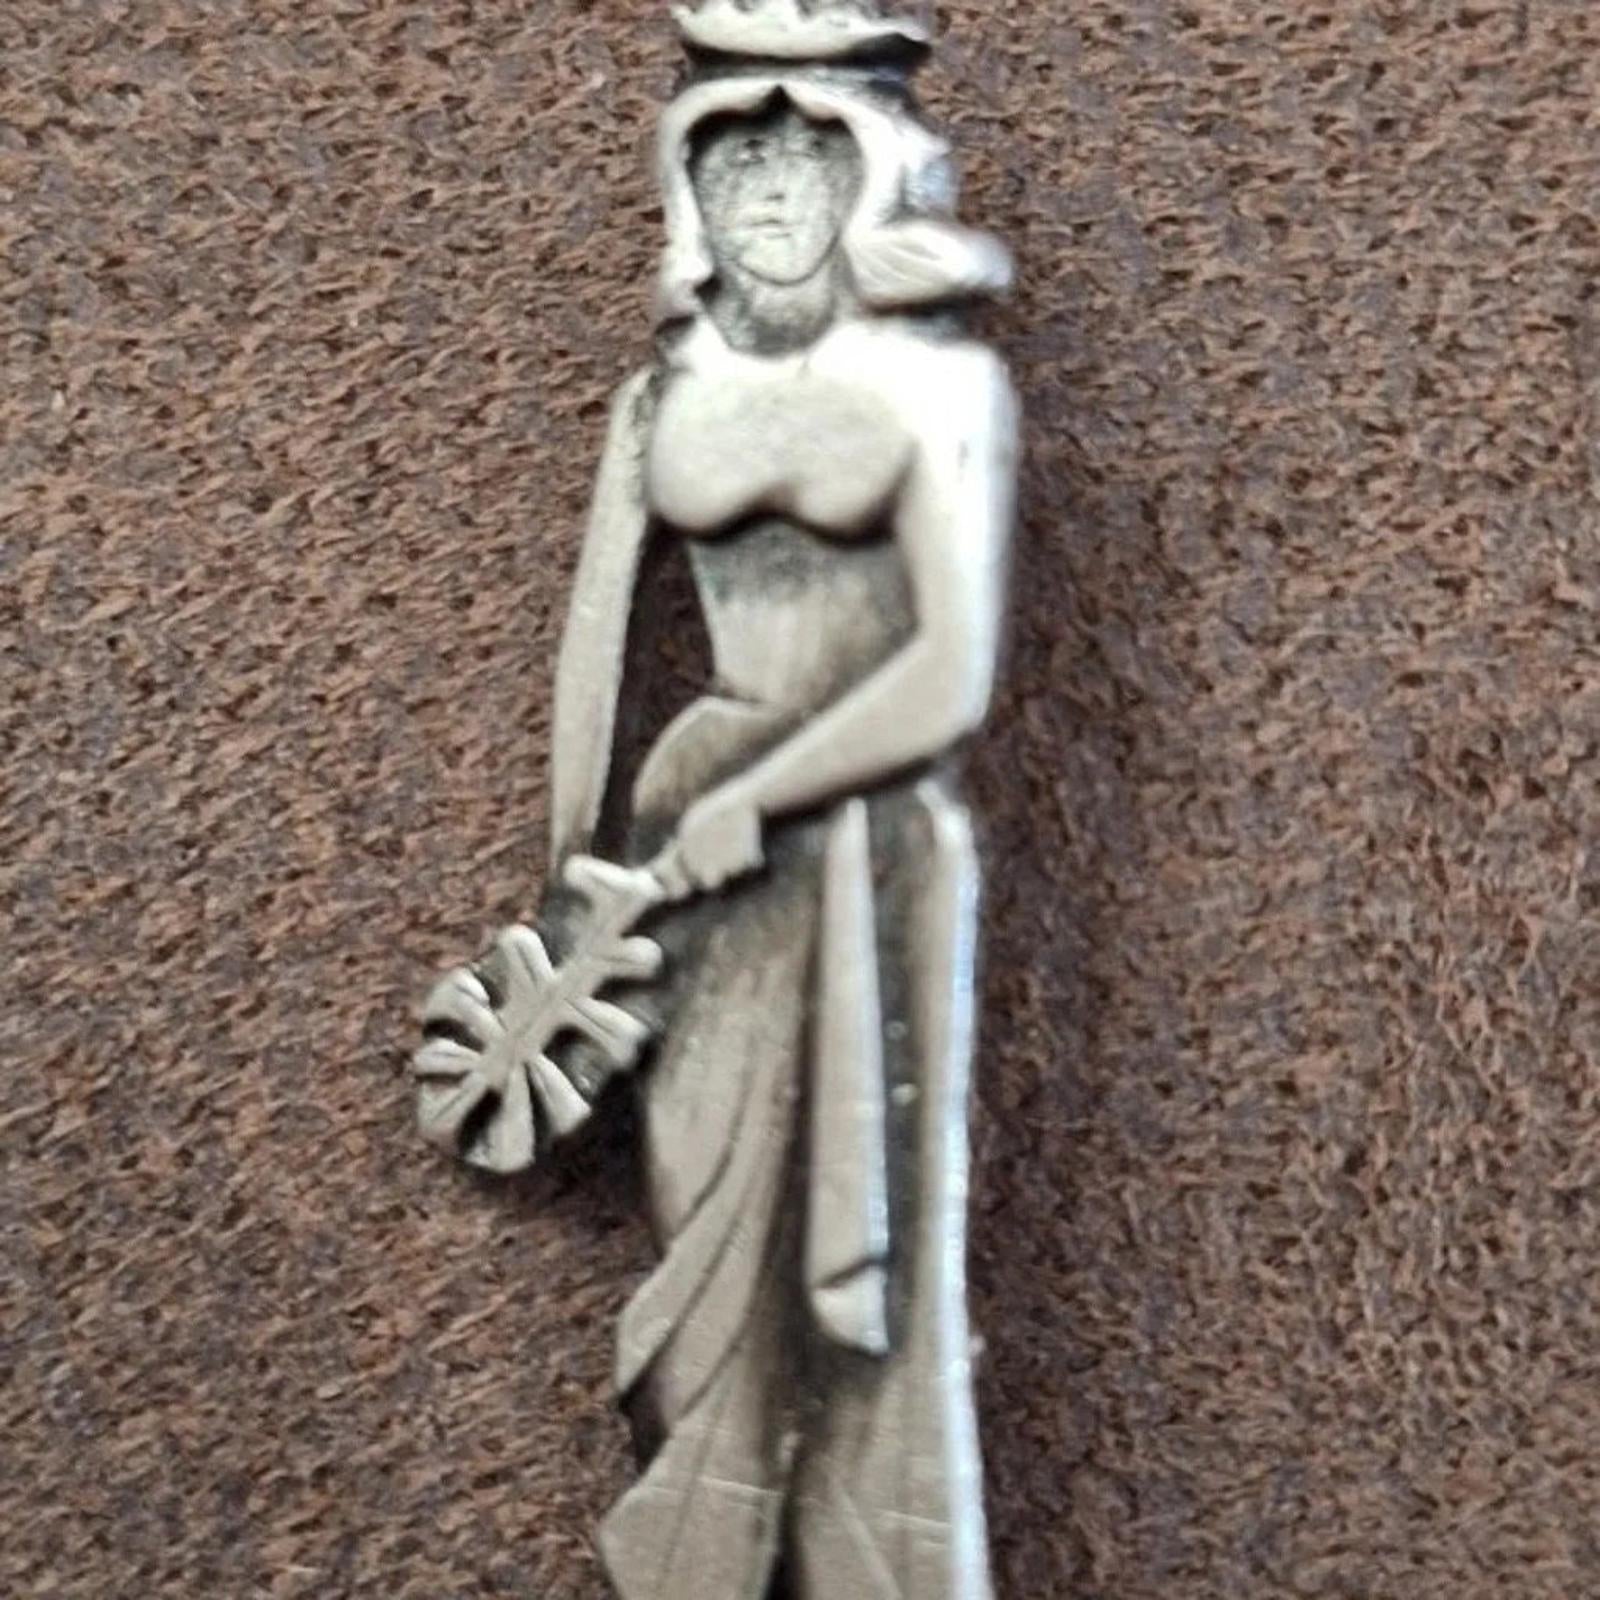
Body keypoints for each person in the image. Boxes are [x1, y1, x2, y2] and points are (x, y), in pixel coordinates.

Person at [548, 53, 1018, 1600]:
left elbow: (950, 672)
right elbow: (596, 656)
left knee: (868, 1262)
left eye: (803, 155)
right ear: (687, 187)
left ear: (866, 174)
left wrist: (760, 797)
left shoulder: (945, 390)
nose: (765, 187)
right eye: (730, 158)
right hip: (690, 865)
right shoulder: (658, 397)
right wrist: (568, 893)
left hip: (868, 845)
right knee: (704, 1246)